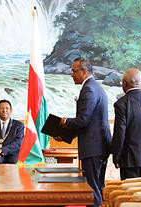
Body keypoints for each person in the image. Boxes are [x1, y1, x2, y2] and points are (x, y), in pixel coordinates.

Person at [56, 57, 111, 207]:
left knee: (91, 189)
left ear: (84, 71)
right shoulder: (95, 87)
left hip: (93, 147)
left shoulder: (89, 89)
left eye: (74, 71)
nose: (71, 74)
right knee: (96, 187)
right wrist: (67, 135)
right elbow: (88, 121)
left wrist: (64, 122)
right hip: (98, 145)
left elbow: (83, 120)